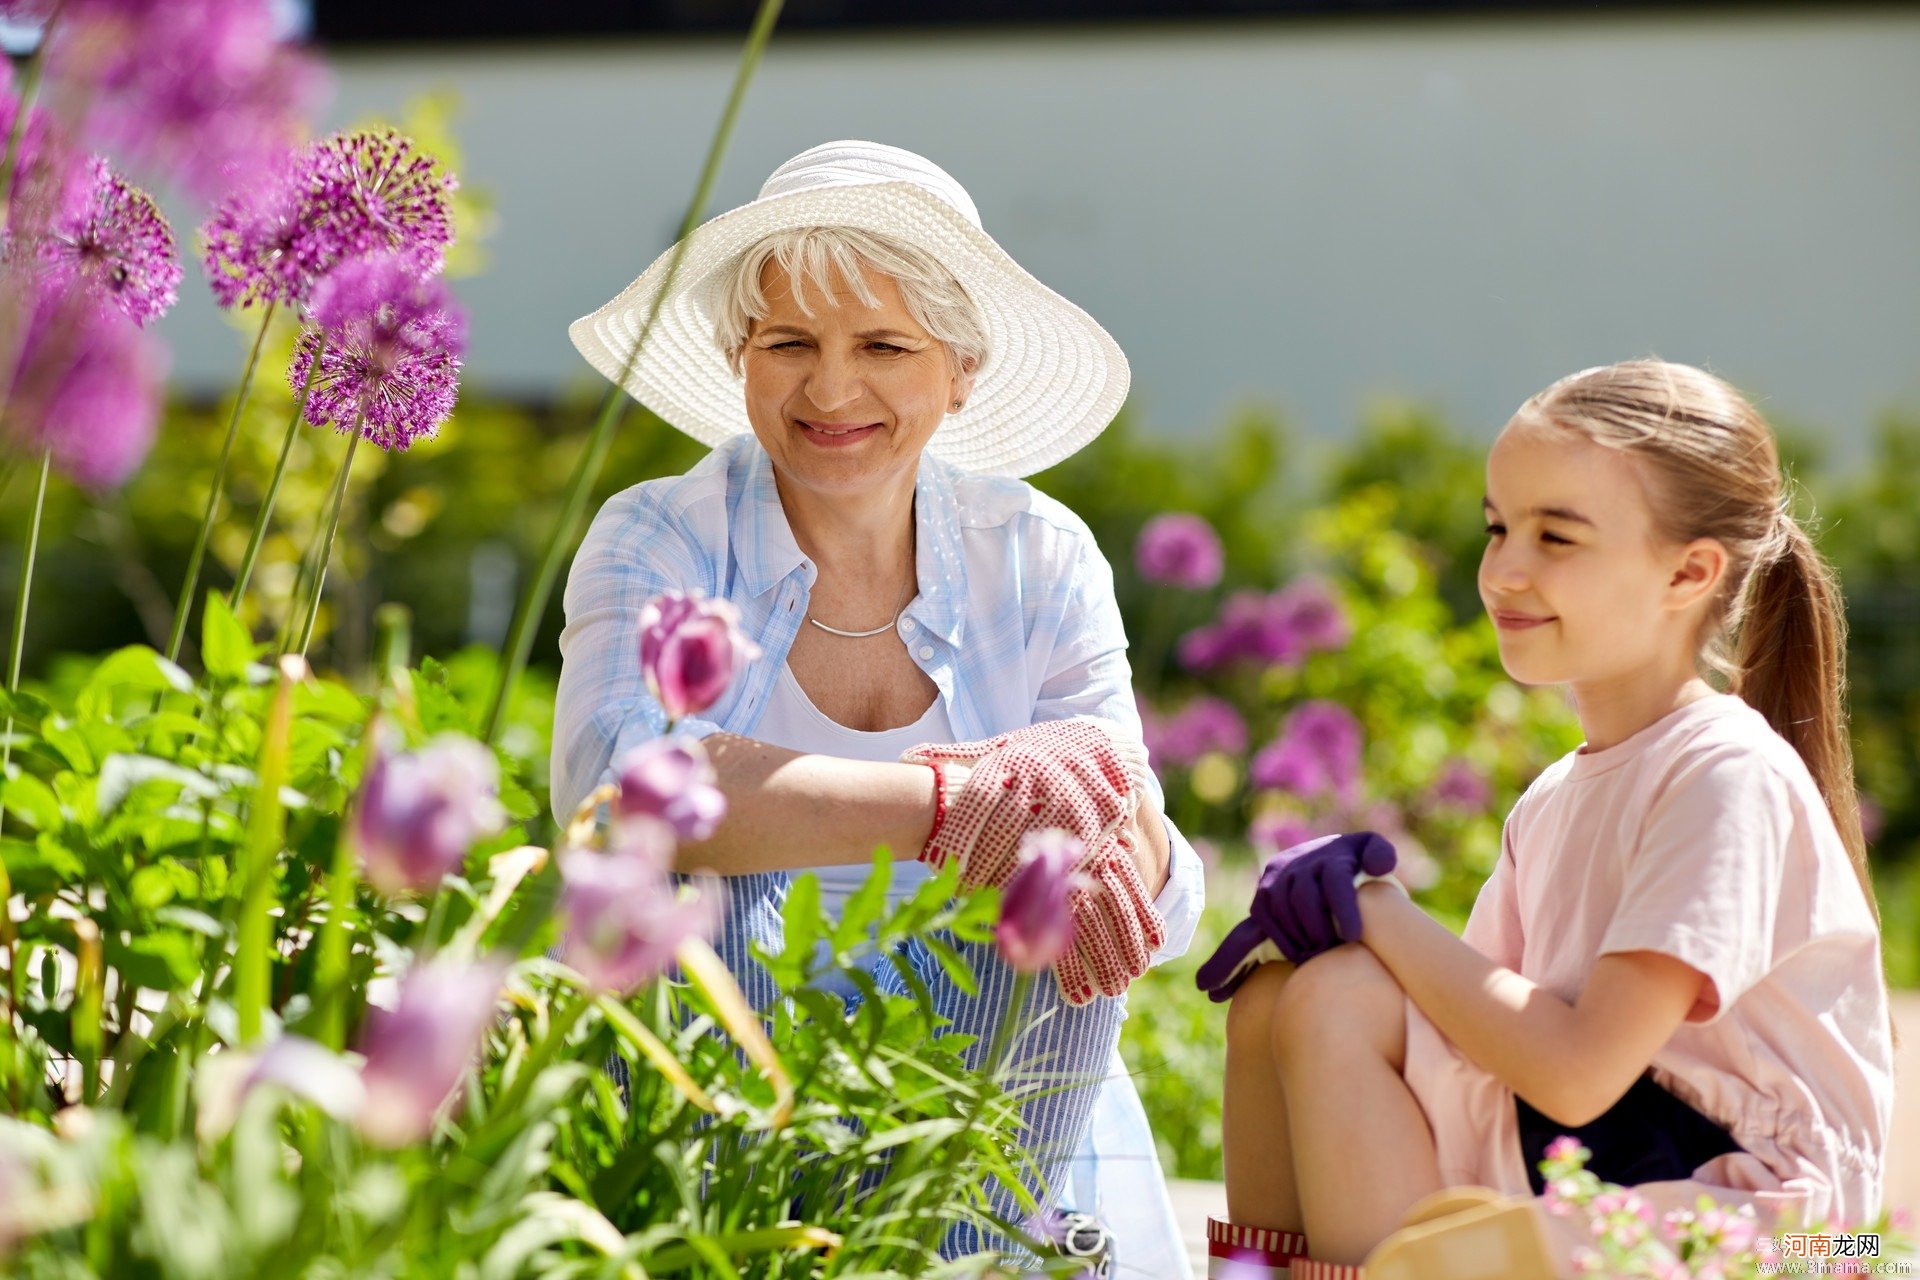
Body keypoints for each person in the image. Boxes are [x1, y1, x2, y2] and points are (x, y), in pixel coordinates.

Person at [552, 140, 1203, 1269]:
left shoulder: (1040, 553)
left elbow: (1148, 847)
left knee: (1055, 873)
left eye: (884, 346)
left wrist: (1107, 834)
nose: (831, 388)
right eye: (789, 342)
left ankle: (962, 1256)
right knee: (701, 888)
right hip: (720, 1070)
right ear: (739, 358)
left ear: (959, 370)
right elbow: (615, 795)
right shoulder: (660, 530)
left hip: (996, 1099)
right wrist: (942, 803)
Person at [1195, 360, 1894, 1277]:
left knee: (1342, 997)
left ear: (1690, 572)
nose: (1504, 570)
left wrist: (1377, 908)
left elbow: (1573, 1071)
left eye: (1556, 537)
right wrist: (1328, 932)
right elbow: (1476, 1040)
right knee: (1280, 995)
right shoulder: (1559, 796)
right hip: (1623, 1161)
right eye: (1497, 528)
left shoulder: (1727, 774)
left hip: (1793, 1232)